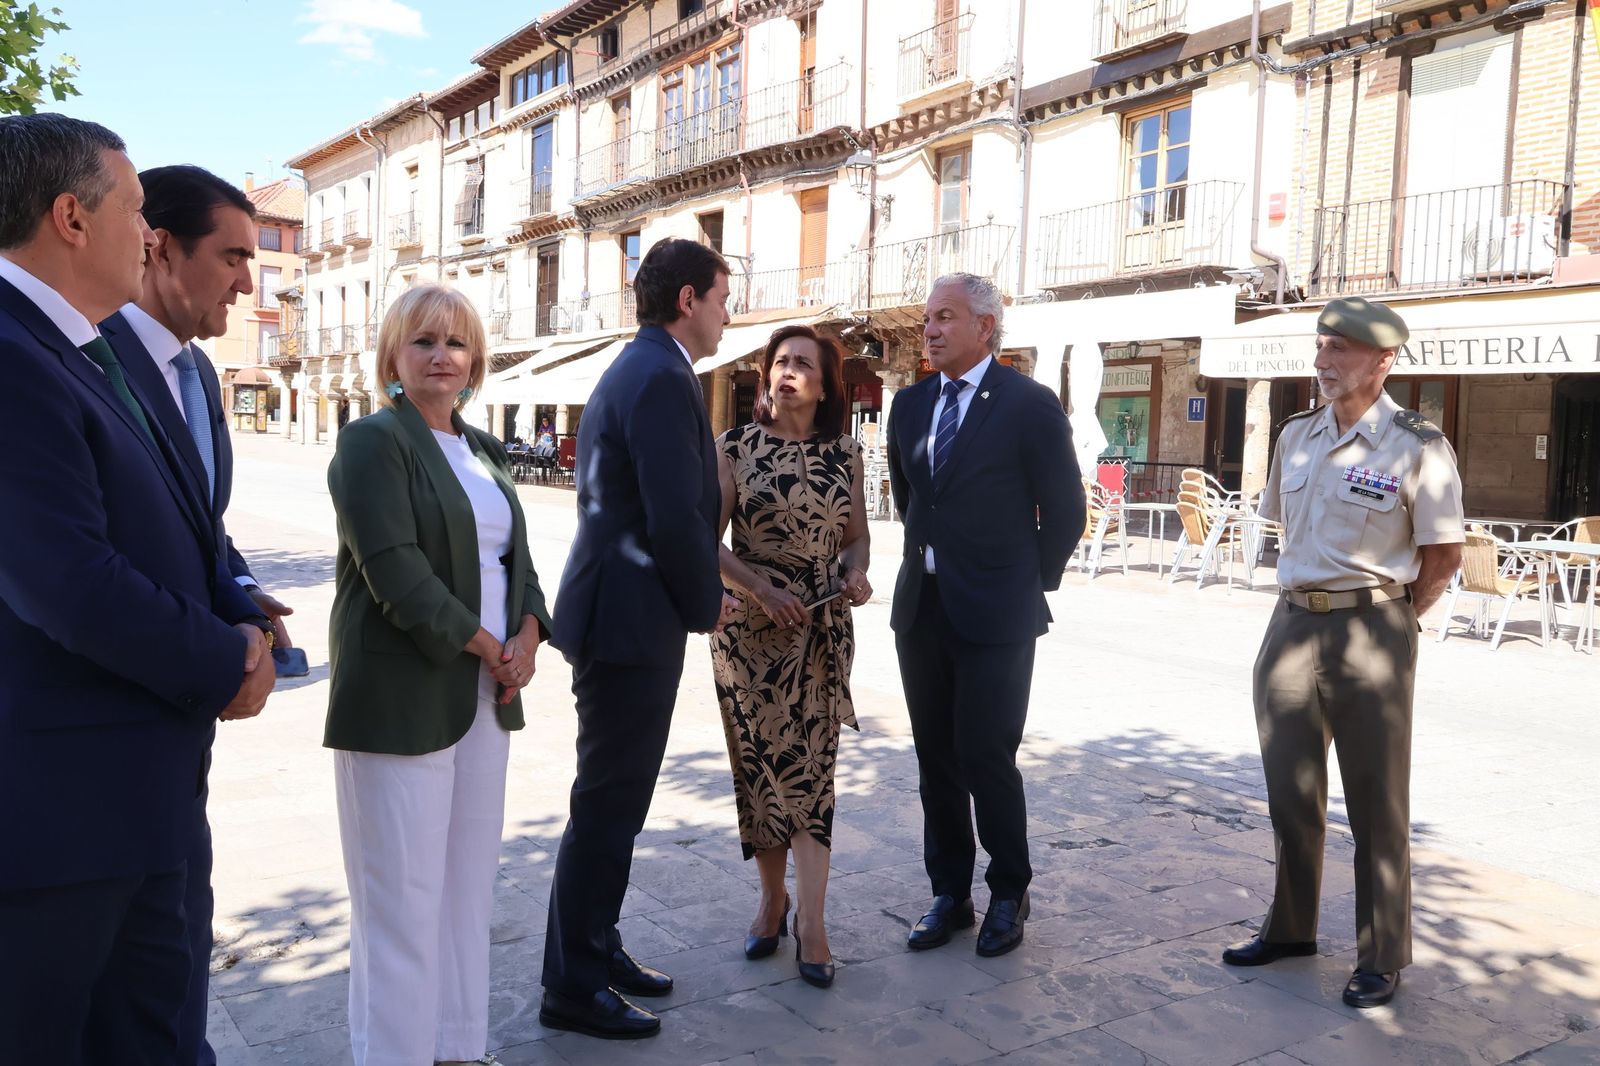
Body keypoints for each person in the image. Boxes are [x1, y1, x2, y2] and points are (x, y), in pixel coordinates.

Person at [0, 113, 275, 1062]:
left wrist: (237, 608)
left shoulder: (72, 349)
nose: (146, 232)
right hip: (63, 817)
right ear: (72, 218)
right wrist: (222, 654)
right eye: (136, 210)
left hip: (132, 794)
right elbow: (67, 581)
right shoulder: (11, 353)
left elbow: (172, 530)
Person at [324, 284, 552, 1065]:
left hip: (487, 696)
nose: (441, 356)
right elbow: (396, 573)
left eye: (456, 343)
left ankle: (457, 1047)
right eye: (423, 341)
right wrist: (490, 645)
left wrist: (526, 634)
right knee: (400, 901)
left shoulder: (484, 450)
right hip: (401, 696)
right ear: (393, 354)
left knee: (463, 890)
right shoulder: (372, 443)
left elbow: (517, 563)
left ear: (476, 359)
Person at [99, 164, 295, 1066]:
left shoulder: (199, 375)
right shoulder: (88, 362)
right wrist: (223, 654)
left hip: (179, 737)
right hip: (106, 728)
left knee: (175, 957)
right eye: (233, 257)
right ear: (159, 247)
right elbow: (87, 560)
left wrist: (238, 592)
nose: (249, 283)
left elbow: (195, 525)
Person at [1220, 297, 1463, 1009]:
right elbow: (1283, 532)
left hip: (1373, 628)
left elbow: (1442, 557)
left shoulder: (1418, 444)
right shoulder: (1295, 436)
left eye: (1341, 351)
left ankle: (1381, 952)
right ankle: (1291, 927)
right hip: (1291, 626)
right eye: (1320, 347)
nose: (1323, 362)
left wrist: (1394, 621)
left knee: (1376, 801)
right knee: (1291, 793)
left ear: (1383, 360)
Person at [540, 237, 738, 1040]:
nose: (730, 314)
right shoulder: (659, 375)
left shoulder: (650, 366)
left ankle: (597, 946)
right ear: (688, 299)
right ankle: (573, 986)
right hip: (629, 618)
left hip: (624, 613)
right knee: (608, 806)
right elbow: (670, 515)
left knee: (614, 805)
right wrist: (706, 602)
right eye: (723, 298)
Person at [887, 273, 1084, 960]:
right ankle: (950, 892)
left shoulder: (1029, 406)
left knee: (986, 755)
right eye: (926, 320)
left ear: (985, 327)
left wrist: (1027, 582)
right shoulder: (909, 406)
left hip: (999, 614)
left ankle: (1008, 890)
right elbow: (914, 498)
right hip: (923, 609)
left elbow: (1066, 512)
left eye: (944, 317)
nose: (931, 330)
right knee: (935, 759)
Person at [710, 324, 872, 989]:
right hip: (749, 633)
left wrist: (857, 575)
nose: (788, 371)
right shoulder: (735, 447)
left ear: (826, 382)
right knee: (761, 774)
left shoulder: (846, 455)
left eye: (803, 363)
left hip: (820, 634)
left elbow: (857, 539)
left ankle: (812, 921)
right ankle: (771, 901)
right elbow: (706, 541)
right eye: (780, 361)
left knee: (811, 777)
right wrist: (759, 587)